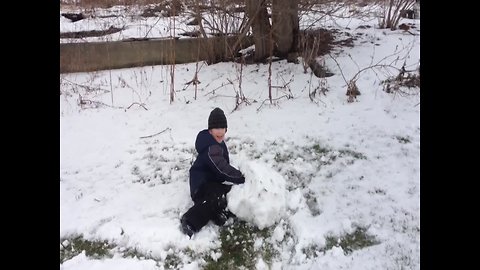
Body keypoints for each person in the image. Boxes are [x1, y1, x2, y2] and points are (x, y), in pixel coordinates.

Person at [180, 107, 245, 238]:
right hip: (201, 185)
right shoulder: (211, 147)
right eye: (217, 131)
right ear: (210, 131)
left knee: (225, 192)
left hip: (211, 182)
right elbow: (221, 168)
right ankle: (190, 220)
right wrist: (239, 177)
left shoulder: (216, 142)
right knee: (214, 197)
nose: (220, 134)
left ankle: (219, 213)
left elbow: (222, 165)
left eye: (223, 131)